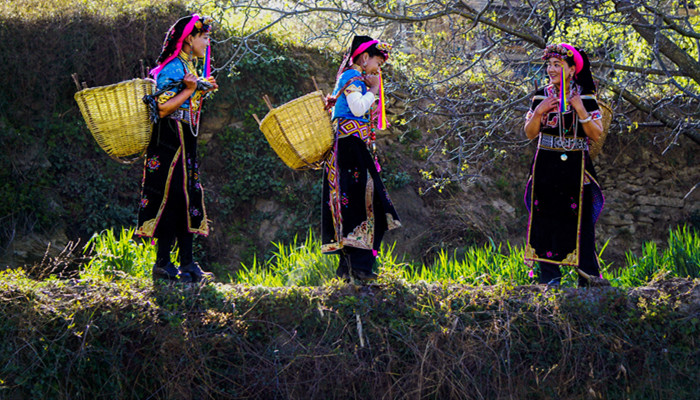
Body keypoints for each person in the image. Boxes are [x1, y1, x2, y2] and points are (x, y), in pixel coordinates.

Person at [135, 14, 218, 282]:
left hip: (184, 138)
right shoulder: (172, 68)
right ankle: (164, 263)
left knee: (186, 198)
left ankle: (186, 263)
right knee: (172, 198)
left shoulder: (187, 67)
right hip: (169, 140)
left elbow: (189, 98)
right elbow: (160, 108)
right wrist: (189, 91)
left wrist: (200, 90)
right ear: (189, 38)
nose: (207, 42)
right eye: (204, 37)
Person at [523, 43, 605, 287]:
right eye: (548, 64)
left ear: (571, 70)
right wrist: (538, 113)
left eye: (557, 65)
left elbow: (596, 134)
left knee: (580, 220)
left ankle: (587, 277)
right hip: (545, 167)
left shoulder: (587, 99)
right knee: (545, 217)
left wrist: (579, 109)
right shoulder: (540, 97)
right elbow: (529, 134)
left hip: (576, 168)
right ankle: (549, 277)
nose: (551, 69)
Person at [321, 35, 402, 282]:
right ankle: (357, 266)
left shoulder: (351, 79)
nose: (379, 69)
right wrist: (375, 91)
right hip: (350, 149)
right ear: (364, 57)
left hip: (353, 148)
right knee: (362, 205)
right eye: (378, 62)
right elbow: (357, 109)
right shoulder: (352, 78)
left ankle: (354, 266)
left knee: (360, 205)